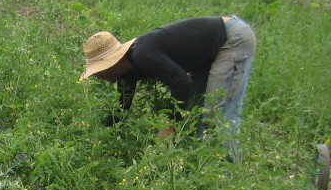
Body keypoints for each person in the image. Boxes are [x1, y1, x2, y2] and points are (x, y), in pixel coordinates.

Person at [79, 16, 256, 161]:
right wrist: (100, 139)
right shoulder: (127, 73)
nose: (97, 76)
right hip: (207, 55)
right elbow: (121, 111)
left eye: (98, 71)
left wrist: (169, 124)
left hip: (232, 38)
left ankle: (228, 178)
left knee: (217, 114)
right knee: (193, 115)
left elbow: (182, 84)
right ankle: (202, 168)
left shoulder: (142, 54)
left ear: (111, 64)